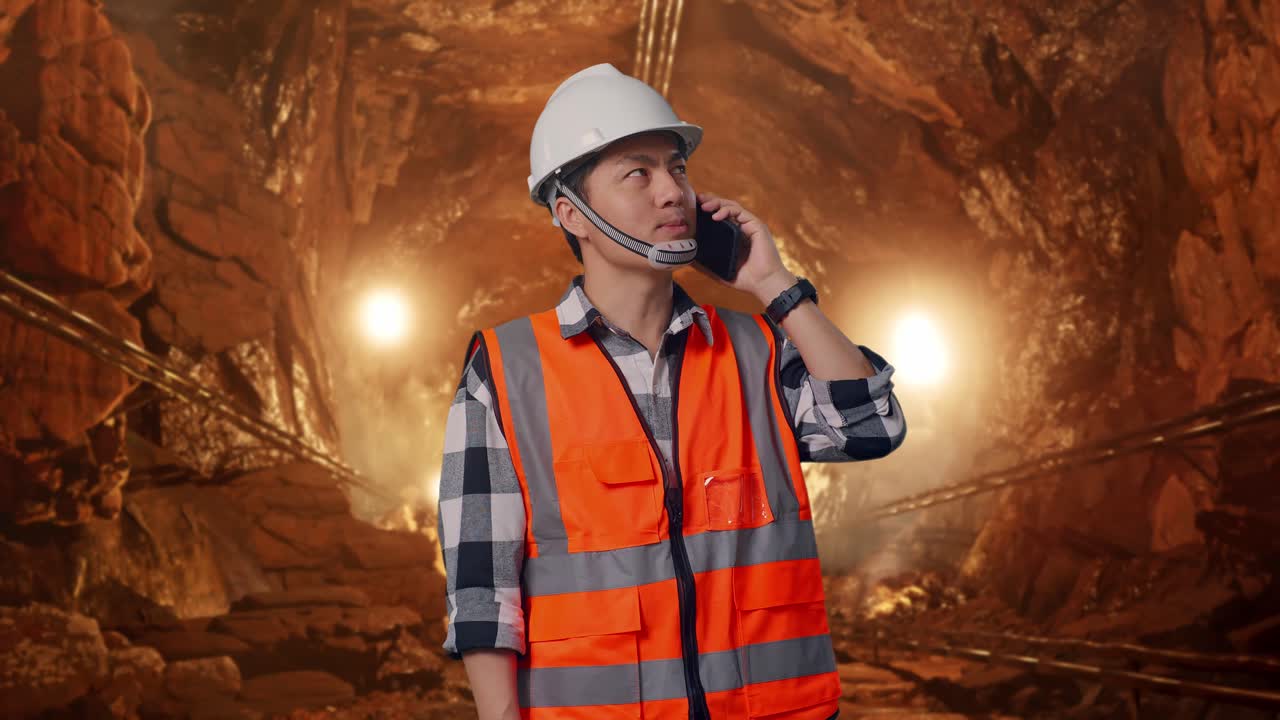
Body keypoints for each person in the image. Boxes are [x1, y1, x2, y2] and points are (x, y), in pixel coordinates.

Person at [437, 63, 906, 720]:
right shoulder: (506, 369)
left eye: (677, 168)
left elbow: (871, 426)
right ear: (571, 214)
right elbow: (482, 588)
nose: (673, 192)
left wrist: (775, 286)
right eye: (639, 172)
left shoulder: (756, 350)